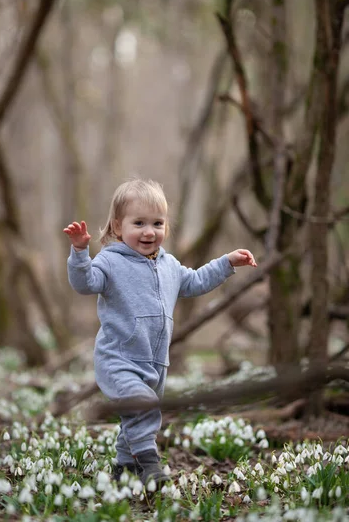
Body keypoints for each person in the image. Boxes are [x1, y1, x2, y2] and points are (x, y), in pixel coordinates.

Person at [63, 179, 257, 487]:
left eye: (157, 223)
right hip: (118, 358)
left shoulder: (169, 265)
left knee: (138, 413)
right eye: (138, 223)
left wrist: (226, 263)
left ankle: (125, 466)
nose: (149, 231)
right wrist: (79, 252)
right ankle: (150, 466)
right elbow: (84, 283)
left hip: (156, 364)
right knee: (143, 406)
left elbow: (195, 282)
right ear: (117, 226)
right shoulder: (110, 262)